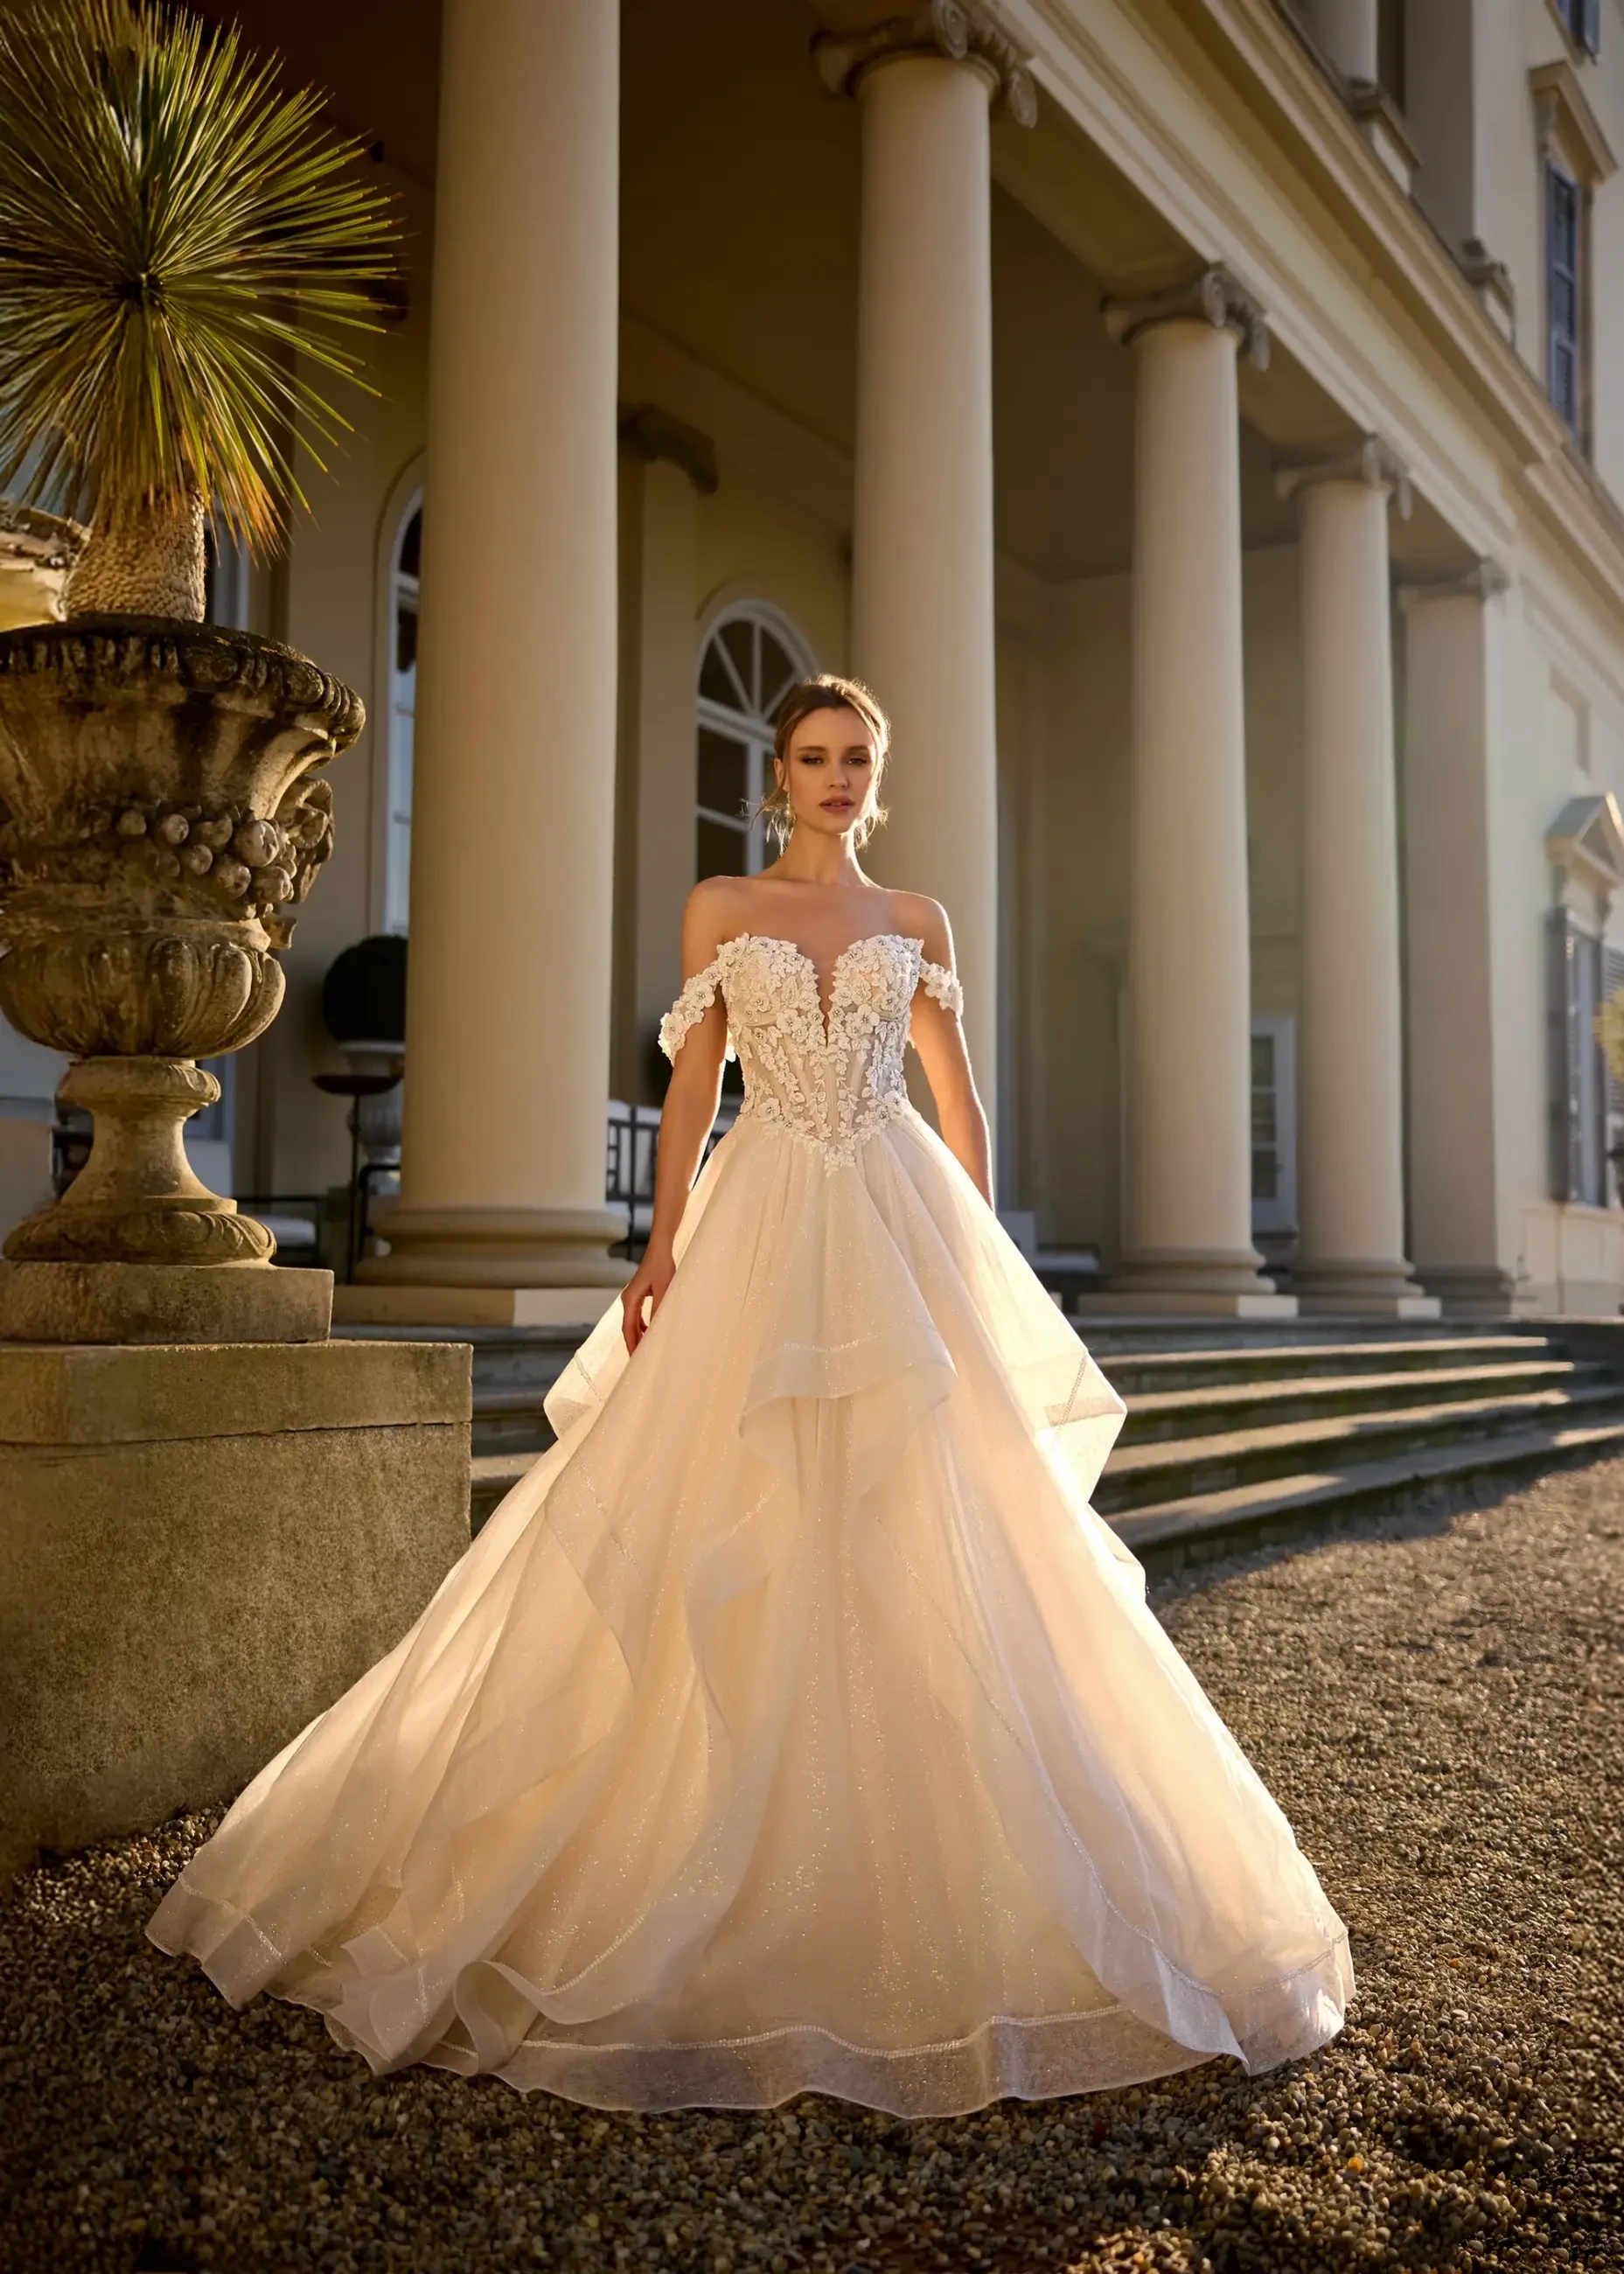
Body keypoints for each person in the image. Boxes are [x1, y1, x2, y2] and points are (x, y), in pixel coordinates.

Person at [149, 672, 1352, 2117]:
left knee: (936, 1523)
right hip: (763, 1221)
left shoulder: (918, 924)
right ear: (776, 775)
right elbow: (695, 1087)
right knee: (720, 1512)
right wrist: (657, 1249)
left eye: (857, 759)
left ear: (876, 776)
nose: (835, 777)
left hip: (897, 1228)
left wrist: (981, 1256)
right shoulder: (721, 910)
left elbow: (957, 1102)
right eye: (812, 757)